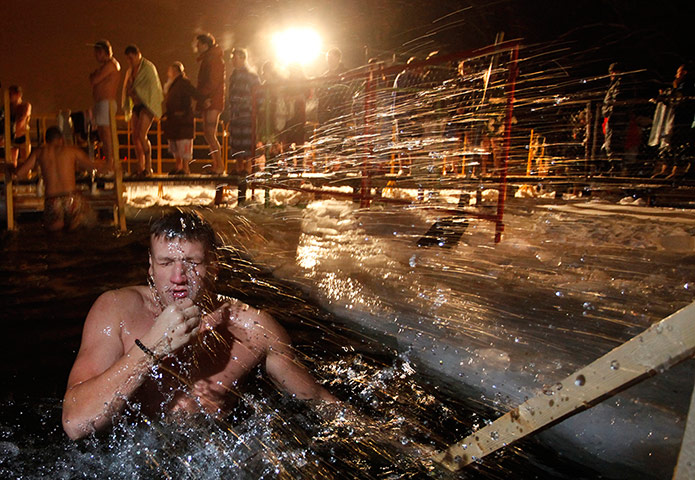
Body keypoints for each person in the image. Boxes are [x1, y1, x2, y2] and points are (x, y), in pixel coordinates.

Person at [62, 210, 337, 440]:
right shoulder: (116, 311)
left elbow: (320, 403)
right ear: (150, 266)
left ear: (213, 265)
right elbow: (75, 423)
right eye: (166, 262)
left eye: (192, 263)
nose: (178, 277)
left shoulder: (252, 328)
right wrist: (150, 348)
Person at [14, 126, 98, 231]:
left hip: (52, 200)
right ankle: (77, 221)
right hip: (71, 198)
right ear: (61, 139)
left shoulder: (39, 152)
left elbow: (20, 173)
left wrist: (10, 168)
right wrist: (109, 165)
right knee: (83, 221)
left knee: (55, 232)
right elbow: (93, 167)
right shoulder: (71, 150)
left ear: (46, 140)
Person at [122, 45, 164, 177]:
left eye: (131, 58)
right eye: (127, 59)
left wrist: (135, 90)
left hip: (147, 105)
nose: (130, 61)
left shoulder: (148, 68)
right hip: (136, 105)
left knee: (141, 134)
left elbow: (151, 87)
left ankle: (148, 167)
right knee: (135, 136)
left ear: (137, 54)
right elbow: (128, 87)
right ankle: (140, 166)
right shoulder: (130, 71)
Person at [162, 62, 203, 175]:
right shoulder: (174, 84)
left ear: (175, 71)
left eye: (170, 70)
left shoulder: (183, 82)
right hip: (175, 119)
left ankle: (185, 168)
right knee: (176, 144)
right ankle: (178, 166)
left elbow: (194, 93)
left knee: (183, 144)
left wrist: (204, 100)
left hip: (182, 119)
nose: (168, 73)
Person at [195, 33, 226, 175]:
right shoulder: (210, 58)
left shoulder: (213, 60)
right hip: (210, 100)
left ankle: (219, 166)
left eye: (199, 44)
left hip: (211, 101)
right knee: (209, 134)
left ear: (205, 45)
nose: (197, 46)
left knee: (210, 134)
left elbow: (213, 81)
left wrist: (205, 97)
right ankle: (217, 165)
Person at [89, 39, 121, 174]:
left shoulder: (111, 65)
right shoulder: (105, 67)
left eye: (98, 53)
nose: (96, 56)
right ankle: (109, 162)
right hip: (101, 104)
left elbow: (94, 79)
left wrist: (95, 75)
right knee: (103, 134)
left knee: (107, 135)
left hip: (106, 103)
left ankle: (111, 164)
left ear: (103, 52)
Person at [600, 62, 629, 174]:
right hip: (614, 116)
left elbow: (617, 98)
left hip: (616, 117)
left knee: (612, 142)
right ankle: (614, 166)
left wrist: (610, 111)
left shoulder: (619, 83)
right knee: (611, 142)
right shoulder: (615, 83)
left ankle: (616, 167)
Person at [0, 85, 32, 167]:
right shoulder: (6, 108)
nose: (9, 96)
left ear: (18, 94)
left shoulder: (25, 106)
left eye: (11, 94)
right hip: (10, 137)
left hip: (21, 136)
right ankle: (13, 177)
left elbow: (21, 121)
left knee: (25, 161)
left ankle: (25, 176)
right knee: (11, 161)